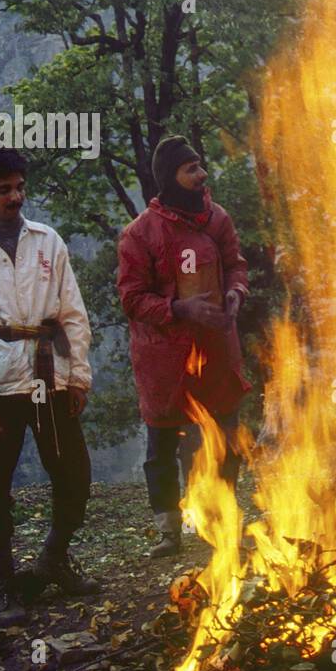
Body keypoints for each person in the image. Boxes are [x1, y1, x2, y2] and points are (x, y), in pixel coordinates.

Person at [0, 147, 100, 624]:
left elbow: (72, 315)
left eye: (20, 187)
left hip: (50, 377)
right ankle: (6, 584)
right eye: (4, 190)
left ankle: (54, 558)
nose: (16, 198)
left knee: (74, 475)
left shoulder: (47, 241)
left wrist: (79, 376)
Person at [117, 135, 252, 558]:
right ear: (170, 179)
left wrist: (235, 293)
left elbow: (236, 266)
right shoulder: (140, 234)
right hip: (164, 357)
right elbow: (132, 298)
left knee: (226, 435)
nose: (201, 174)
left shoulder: (218, 220)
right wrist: (179, 309)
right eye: (190, 169)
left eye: (200, 166)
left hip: (217, 352)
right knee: (162, 443)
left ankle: (223, 517)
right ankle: (169, 529)